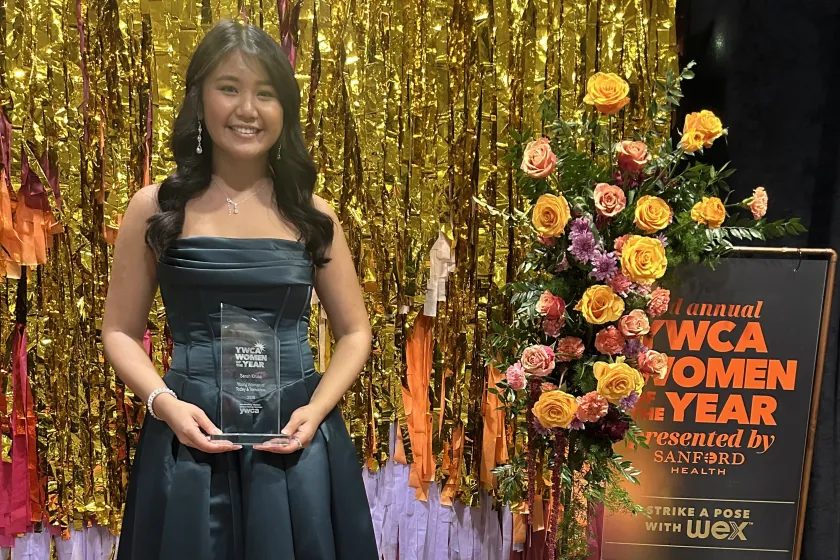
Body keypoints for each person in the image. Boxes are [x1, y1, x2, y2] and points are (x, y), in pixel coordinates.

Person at [102, 20, 378, 560]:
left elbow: (355, 331)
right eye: (229, 88)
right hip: (190, 431)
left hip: (293, 438)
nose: (247, 109)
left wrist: (317, 410)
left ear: (285, 109)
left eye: (266, 93)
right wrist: (165, 405)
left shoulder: (311, 214)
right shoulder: (155, 208)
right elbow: (118, 330)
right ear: (200, 98)